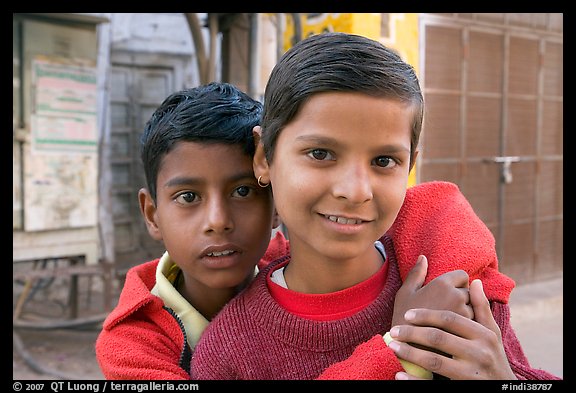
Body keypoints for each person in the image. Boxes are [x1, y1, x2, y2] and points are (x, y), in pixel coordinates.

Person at [190, 32, 561, 380]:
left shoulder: (458, 289)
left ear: (410, 165)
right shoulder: (229, 352)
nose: (356, 191)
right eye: (320, 154)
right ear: (264, 157)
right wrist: (399, 343)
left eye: (384, 161)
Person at [95, 81, 474, 380]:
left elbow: (437, 206)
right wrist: (401, 342)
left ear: (274, 189)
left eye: (243, 191)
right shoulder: (131, 342)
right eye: (188, 196)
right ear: (151, 213)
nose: (217, 220)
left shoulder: (297, 262)